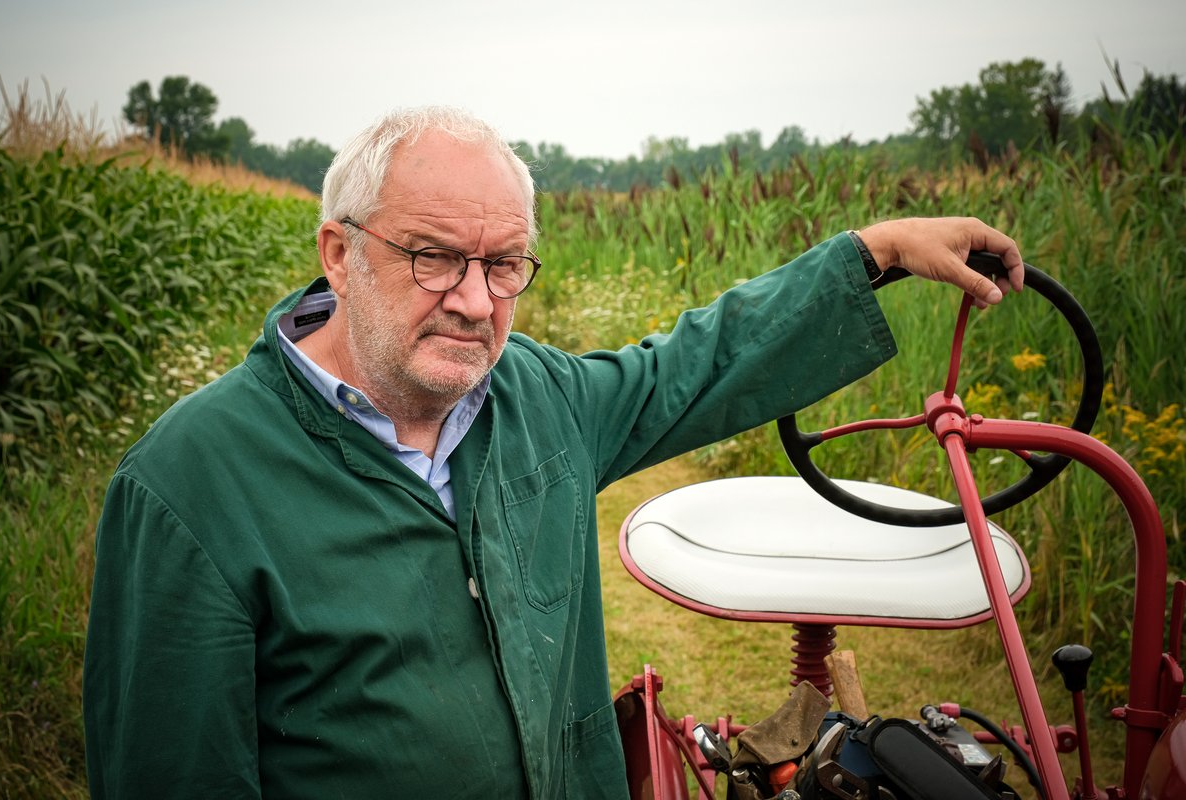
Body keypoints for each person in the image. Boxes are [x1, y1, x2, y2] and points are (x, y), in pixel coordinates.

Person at [83, 106, 1023, 799]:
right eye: (433, 256)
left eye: (503, 266)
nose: (474, 300)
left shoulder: (537, 397)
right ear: (339, 253)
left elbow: (692, 367)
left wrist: (873, 252)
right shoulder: (189, 488)